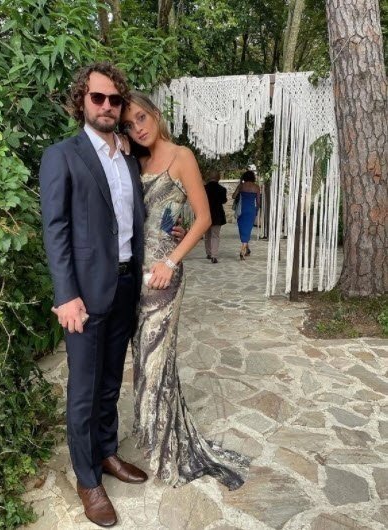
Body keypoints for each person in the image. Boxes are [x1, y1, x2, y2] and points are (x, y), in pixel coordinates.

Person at [39, 62, 185, 528]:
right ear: (81, 101)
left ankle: (106, 453)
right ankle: (87, 479)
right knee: (83, 390)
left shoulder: (126, 157)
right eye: (97, 97)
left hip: (126, 287)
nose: (106, 105)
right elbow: (56, 229)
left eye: (114, 99)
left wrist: (171, 232)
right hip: (83, 294)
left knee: (108, 383)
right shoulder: (62, 156)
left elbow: (142, 215)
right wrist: (66, 295)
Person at [121, 92, 250, 491]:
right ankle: (155, 433)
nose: (137, 128)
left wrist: (172, 261)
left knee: (157, 359)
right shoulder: (134, 161)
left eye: (141, 118)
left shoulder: (181, 156)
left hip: (164, 275)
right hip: (135, 274)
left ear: (155, 114)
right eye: (129, 125)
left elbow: (204, 217)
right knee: (143, 358)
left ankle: (166, 448)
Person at [232, 169, 261, 259]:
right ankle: (244, 249)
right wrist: (256, 210)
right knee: (248, 229)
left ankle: (244, 249)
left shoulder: (241, 186)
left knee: (242, 229)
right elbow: (258, 202)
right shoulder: (256, 187)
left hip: (241, 209)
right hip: (251, 210)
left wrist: (240, 183)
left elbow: (233, 196)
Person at [204, 169, 227, 263]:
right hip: (217, 215)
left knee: (207, 235)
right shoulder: (222, 189)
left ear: (209, 177)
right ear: (218, 177)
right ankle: (214, 256)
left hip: (206, 214)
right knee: (215, 236)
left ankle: (208, 253)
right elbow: (224, 200)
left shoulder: (204, 188)